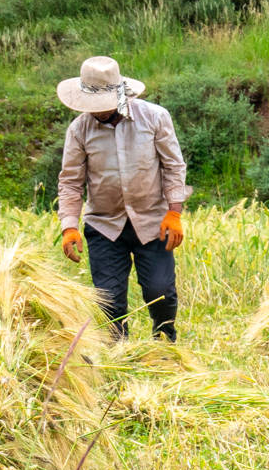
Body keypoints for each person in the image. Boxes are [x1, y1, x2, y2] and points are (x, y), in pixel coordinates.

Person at [54, 56, 190, 342]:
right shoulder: (79, 130)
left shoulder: (154, 118)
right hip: (105, 224)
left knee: (159, 291)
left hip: (153, 220)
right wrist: (69, 226)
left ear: (119, 94)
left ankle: (165, 343)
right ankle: (119, 351)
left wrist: (174, 212)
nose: (96, 112)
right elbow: (70, 182)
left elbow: (173, 166)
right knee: (109, 299)